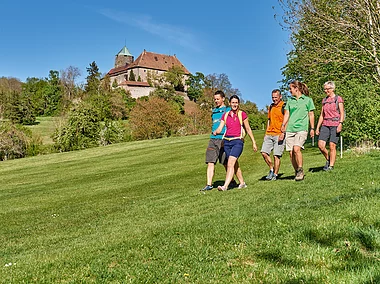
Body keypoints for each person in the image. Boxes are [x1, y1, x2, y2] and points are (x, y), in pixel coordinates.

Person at [213, 95, 258, 191]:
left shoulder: (242, 114)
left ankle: (225, 186)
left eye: (236, 103)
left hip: (237, 141)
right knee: (234, 163)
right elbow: (220, 127)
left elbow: (248, 129)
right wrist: (216, 131)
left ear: (239, 104)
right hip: (227, 142)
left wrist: (253, 142)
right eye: (233, 103)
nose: (235, 104)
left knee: (230, 163)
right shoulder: (225, 115)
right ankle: (242, 183)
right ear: (230, 103)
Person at [281, 81, 315, 181]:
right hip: (290, 129)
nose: (289, 90)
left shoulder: (307, 100)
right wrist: (283, 125)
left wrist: (312, 128)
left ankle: (300, 170)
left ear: (296, 88)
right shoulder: (290, 101)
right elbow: (286, 114)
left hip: (302, 128)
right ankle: (296, 171)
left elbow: (311, 114)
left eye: (291, 88)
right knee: (291, 153)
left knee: (296, 149)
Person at [201, 90, 232, 191]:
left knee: (225, 162)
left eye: (218, 99)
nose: (216, 101)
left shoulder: (228, 110)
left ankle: (231, 180)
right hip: (213, 139)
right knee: (210, 161)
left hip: (223, 139)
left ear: (223, 99)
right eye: (215, 99)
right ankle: (209, 184)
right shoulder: (214, 111)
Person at [315, 81, 344, 171]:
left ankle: (331, 166)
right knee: (321, 145)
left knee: (332, 145)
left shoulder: (338, 99)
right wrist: (317, 127)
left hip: (335, 124)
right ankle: (328, 158)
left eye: (327, 89)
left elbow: (342, 113)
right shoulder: (324, 101)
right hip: (325, 124)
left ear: (332, 89)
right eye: (325, 89)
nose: (326, 90)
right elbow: (322, 115)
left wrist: (340, 124)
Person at [261, 89, 286, 181]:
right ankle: (271, 169)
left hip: (279, 134)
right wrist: (266, 132)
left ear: (280, 97)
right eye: (273, 97)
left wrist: (283, 133)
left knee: (276, 155)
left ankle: (275, 174)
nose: (274, 99)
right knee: (264, 153)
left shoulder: (284, 106)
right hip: (269, 133)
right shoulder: (271, 107)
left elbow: (286, 120)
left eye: (276, 97)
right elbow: (269, 120)